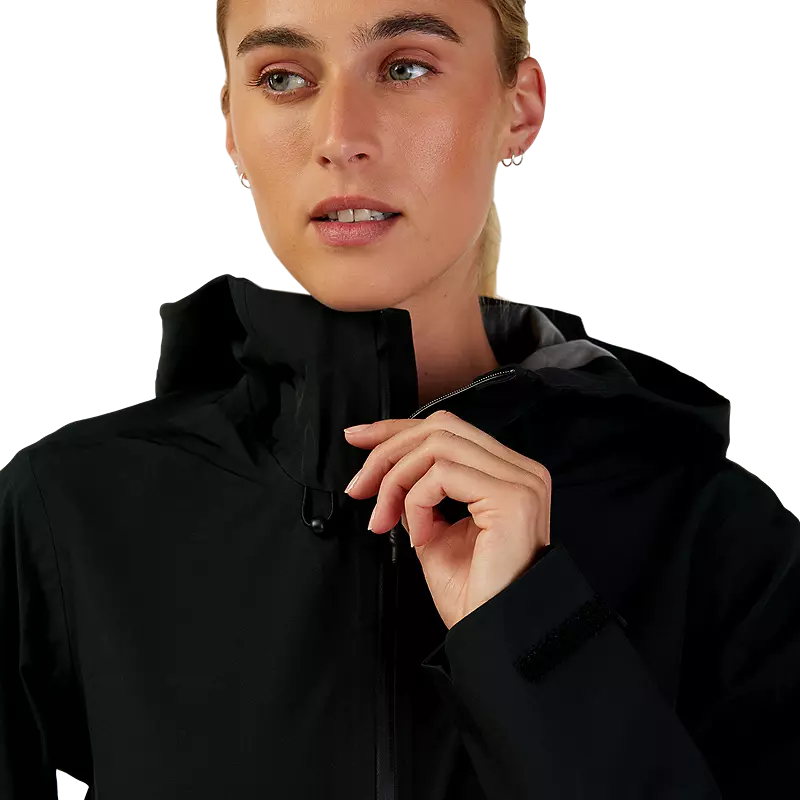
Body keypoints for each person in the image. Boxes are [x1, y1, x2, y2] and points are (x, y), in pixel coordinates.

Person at [1, 2, 798, 798]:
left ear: (519, 110)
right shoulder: (72, 515)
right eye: (282, 79)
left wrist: (533, 627)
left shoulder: (717, 539)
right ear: (233, 130)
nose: (339, 136)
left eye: (405, 68)